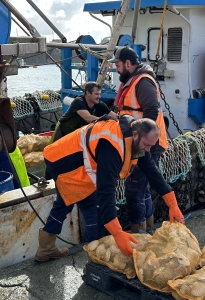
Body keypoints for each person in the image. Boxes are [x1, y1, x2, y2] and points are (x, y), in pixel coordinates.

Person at [35, 116, 184, 262]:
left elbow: (153, 172)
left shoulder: (137, 141)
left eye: (151, 146)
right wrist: (118, 233)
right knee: (95, 212)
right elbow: (106, 191)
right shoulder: (112, 146)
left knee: (63, 205)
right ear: (136, 134)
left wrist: (173, 205)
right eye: (147, 145)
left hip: (73, 159)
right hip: (68, 163)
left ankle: (45, 248)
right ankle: (95, 259)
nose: (148, 150)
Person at [108, 46, 168, 234]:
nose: (116, 69)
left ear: (127, 63)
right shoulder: (132, 80)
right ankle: (148, 230)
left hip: (146, 145)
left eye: (117, 64)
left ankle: (138, 234)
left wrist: (141, 145)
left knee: (134, 191)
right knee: (142, 189)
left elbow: (151, 111)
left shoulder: (142, 82)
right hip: (142, 143)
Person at [50, 81, 118, 143]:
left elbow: (114, 116)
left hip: (76, 134)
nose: (99, 97)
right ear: (88, 93)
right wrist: (105, 119)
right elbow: (88, 118)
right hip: (63, 131)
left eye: (99, 94)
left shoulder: (99, 105)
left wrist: (121, 119)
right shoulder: (78, 101)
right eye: (96, 94)